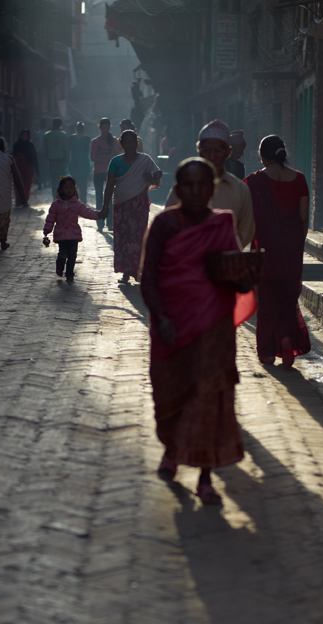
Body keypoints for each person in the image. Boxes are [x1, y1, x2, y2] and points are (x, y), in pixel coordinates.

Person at [140, 158, 253, 506]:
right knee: (170, 395)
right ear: (176, 188)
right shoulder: (163, 225)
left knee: (209, 400)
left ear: (211, 189)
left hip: (212, 326)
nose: (194, 191)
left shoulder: (221, 224)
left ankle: (205, 477)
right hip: (171, 326)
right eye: (187, 185)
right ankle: (172, 451)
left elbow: (235, 270)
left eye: (202, 185)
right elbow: (149, 277)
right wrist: (160, 316)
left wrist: (246, 276)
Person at [245, 134, 310, 368]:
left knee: (266, 301)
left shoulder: (253, 182)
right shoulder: (300, 179)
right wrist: (294, 245)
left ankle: (267, 353)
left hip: (264, 248)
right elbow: (304, 219)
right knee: (287, 298)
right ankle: (285, 337)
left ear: (262, 156)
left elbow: (248, 219)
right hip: (292, 249)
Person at [163, 120, 255, 248]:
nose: (212, 156)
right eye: (206, 150)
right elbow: (168, 221)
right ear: (199, 151)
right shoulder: (183, 187)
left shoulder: (240, 190)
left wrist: (226, 249)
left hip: (225, 262)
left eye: (218, 151)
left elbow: (247, 229)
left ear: (228, 152)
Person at [101, 129, 162, 284]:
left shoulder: (145, 160)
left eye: (133, 142)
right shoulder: (115, 162)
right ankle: (126, 271)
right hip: (121, 204)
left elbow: (157, 174)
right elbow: (109, 185)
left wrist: (151, 176)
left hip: (139, 204)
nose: (130, 145)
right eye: (127, 142)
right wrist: (105, 206)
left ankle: (137, 269)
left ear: (137, 143)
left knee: (138, 236)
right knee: (123, 236)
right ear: (121, 144)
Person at [42, 176, 104, 282]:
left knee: (72, 255)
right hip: (61, 234)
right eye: (66, 187)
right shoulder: (56, 204)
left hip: (73, 234)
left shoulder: (76, 204)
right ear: (61, 189)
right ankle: (60, 265)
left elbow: (86, 212)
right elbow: (51, 218)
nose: (69, 190)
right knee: (63, 253)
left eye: (71, 187)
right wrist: (47, 229)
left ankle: (69, 273)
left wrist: (98, 215)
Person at [90, 118, 118, 231]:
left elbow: (115, 157)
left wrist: (101, 158)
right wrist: (107, 158)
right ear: (100, 128)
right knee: (99, 198)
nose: (105, 130)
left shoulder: (114, 141)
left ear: (109, 128)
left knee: (110, 197)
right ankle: (100, 223)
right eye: (103, 128)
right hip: (98, 172)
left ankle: (110, 222)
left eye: (107, 128)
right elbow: (92, 157)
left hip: (110, 173)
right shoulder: (95, 142)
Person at [12, 129, 38, 205]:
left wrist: (36, 168)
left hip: (28, 168)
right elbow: (14, 156)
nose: (24, 137)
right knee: (18, 184)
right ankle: (18, 200)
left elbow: (34, 157)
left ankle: (25, 200)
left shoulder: (30, 145)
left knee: (27, 184)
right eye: (22, 135)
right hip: (18, 167)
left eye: (25, 135)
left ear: (28, 136)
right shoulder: (17, 145)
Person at [68, 122, 92, 202]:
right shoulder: (87, 139)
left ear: (76, 129)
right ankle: (83, 203)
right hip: (84, 165)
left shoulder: (71, 138)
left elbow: (69, 151)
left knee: (74, 185)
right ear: (84, 129)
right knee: (83, 186)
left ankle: (74, 201)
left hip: (74, 164)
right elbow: (88, 152)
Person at [43, 117, 69, 187]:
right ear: (61, 125)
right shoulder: (63, 135)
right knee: (61, 177)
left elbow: (45, 150)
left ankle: (55, 194)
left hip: (51, 161)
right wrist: (67, 160)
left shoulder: (47, 135)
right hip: (61, 161)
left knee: (54, 179)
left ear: (52, 124)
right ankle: (60, 194)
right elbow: (66, 149)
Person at [33, 118, 49, 193]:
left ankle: (40, 183)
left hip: (39, 153)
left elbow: (34, 142)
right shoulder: (47, 133)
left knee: (39, 169)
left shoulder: (37, 134)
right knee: (45, 169)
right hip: (46, 154)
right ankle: (45, 183)